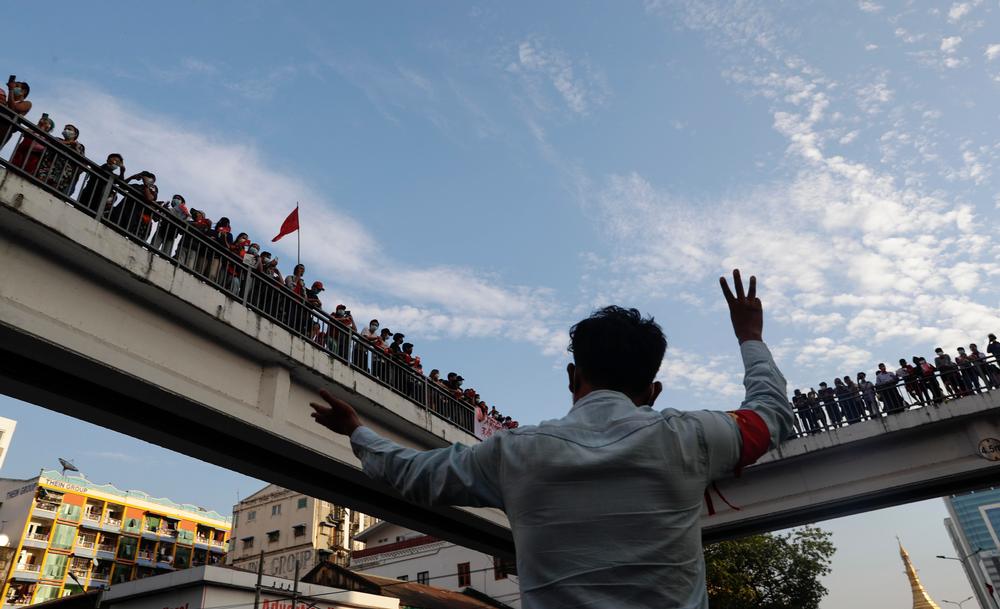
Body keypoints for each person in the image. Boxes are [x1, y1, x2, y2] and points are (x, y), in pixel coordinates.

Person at [310, 269, 794, 609]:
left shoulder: (515, 454)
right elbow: (771, 415)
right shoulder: (691, 439)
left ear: (571, 376)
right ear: (652, 390)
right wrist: (748, 334)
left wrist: (358, 431)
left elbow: (410, 474)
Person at [36, 124, 85, 195]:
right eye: (65, 129)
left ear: (75, 134)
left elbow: (81, 159)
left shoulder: (79, 146)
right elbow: (52, 144)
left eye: (69, 129)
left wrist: (75, 147)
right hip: (49, 169)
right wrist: (69, 143)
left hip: (64, 175)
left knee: (54, 193)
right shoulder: (57, 139)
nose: (66, 130)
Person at [0, 76, 32, 148]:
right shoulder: (6, 102)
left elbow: (13, 109)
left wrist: (11, 89)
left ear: (24, 91)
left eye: (16, 86)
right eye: (14, 85)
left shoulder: (27, 103)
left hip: (5, 129)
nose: (14, 87)